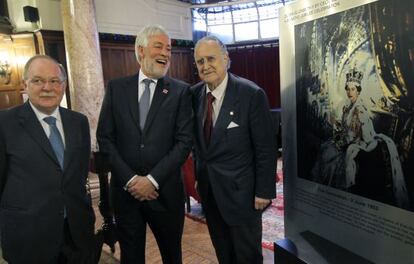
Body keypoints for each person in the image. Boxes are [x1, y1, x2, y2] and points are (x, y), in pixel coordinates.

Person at [96, 25, 193, 263]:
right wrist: (131, 180)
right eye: (158, 46)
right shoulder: (117, 88)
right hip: (125, 194)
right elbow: (105, 138)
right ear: (140, 50)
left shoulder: (181, 92)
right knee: (131, 258)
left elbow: (183, 143)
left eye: (169, 48)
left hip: (165, 193)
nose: (166, 53)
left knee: (173, 256)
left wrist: (151, 180)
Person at [0, 55, 95, 263]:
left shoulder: (78, 122)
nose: (47, 87)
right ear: (25, 84)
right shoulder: (5, 124)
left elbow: (79, 175)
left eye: (54, 81)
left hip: (76, 233)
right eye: (38, 80)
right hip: (29, 237)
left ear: (63, 85)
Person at [191, 35, 277, 264]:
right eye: (200, 61)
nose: (205, 66)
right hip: (210, 193)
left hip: (244, 196)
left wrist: (264, 191)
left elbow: (266, 148)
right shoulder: (194, 95)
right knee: (224, 254)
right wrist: (199, 175)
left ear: (226, 59)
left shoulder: (251, 94)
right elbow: (198, 144)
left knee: (247, 256)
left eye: (211, 59)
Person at [311, 67, 409, 208]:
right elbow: (347, 128)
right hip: (347, 139)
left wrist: (343, 140)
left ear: (358, 91)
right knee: (326, 148)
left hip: (360, 143)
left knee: (330, 155)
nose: (350, 92)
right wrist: (337, 127)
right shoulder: (348, 108)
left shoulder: (360, 109)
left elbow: (366, 136)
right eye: (348, 89)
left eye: (353, 89)